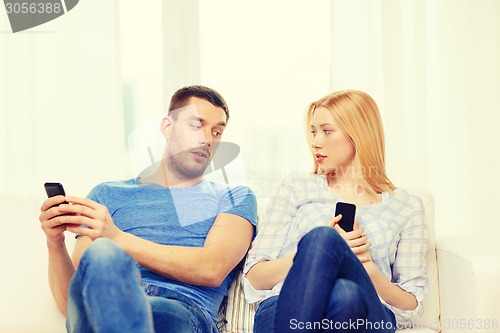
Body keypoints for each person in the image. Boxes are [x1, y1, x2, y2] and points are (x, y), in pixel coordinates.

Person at [39, 85, 258, 333]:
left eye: (217, 132)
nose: (207, 140)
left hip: (179, 309)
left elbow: (212, 269)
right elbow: (71, 305)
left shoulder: (234, 197)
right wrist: (54, 242)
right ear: (168, 127)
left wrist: (116, 237)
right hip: (102, 308)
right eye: (197, 125)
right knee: (102, 254)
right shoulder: (107, 194)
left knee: (105, 250)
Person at [243, 90, 429, 333]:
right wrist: (316, 253)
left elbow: (411, 306)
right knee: (340, 280)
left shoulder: (407, 205)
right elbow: (255, 277)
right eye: (313, 132)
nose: (315, 142)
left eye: (327, 131)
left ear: (358, 134)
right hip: (285, 306)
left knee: (351, 294)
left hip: (369, 313)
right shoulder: (296, 187)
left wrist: (367, 268)